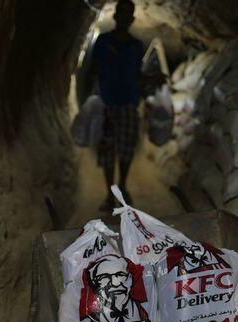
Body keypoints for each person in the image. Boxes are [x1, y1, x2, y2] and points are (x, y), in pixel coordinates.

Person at [90, 0, 159, 211]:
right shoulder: (102, 41)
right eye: (121, 13)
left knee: (126, 149)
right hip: (107, 103)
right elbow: (94, 70)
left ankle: (122, 186)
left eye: (128, 14)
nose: (124, 17)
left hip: (129, 103)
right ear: (116, 16)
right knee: (108, 150)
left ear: (131, 19)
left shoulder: (135, 46)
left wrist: (151, 80)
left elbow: (137, 75)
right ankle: (111, 194)